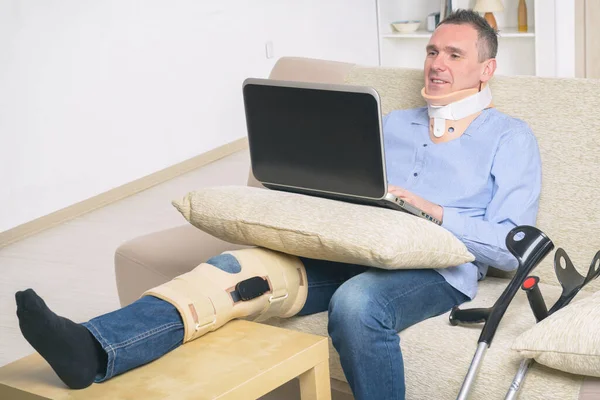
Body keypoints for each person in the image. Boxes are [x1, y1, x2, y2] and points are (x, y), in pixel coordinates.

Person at [15, 9, 541, 400]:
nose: (437, 65)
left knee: (358, 304)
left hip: (434, 269)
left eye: (454, 55)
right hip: (346, 246)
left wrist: (432, 210)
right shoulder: (388, 122)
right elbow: (345, 188)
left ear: (486, 69)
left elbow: (516, 248)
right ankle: (92, 349)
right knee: (229, 271)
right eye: (431, 51)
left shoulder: (510, 137)